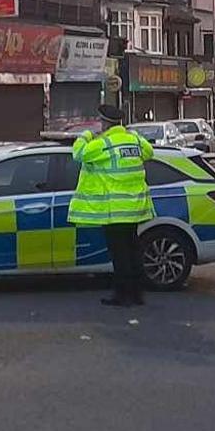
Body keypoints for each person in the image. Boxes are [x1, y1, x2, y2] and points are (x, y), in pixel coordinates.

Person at [69, 104, 156, 307]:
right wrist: (134, 136)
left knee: (120, 254)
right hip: (134, 208)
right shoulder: (134, 140)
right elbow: (149, 152)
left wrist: (85, 135)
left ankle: (122, 295)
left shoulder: (104, 144)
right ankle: (136, 294)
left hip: (115, 211)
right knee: (133, 250)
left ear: (105, 123)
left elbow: (78, 154)